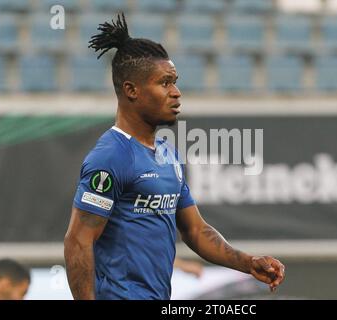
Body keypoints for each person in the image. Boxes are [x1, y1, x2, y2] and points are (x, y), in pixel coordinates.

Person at [64, 13, 285, 300]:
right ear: (131, 90)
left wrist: (247, 262)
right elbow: (78, 241)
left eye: (175, 82)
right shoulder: (111, 157)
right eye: (165, 83)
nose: (176, 93)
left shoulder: (168, 154)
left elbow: (195, 230)